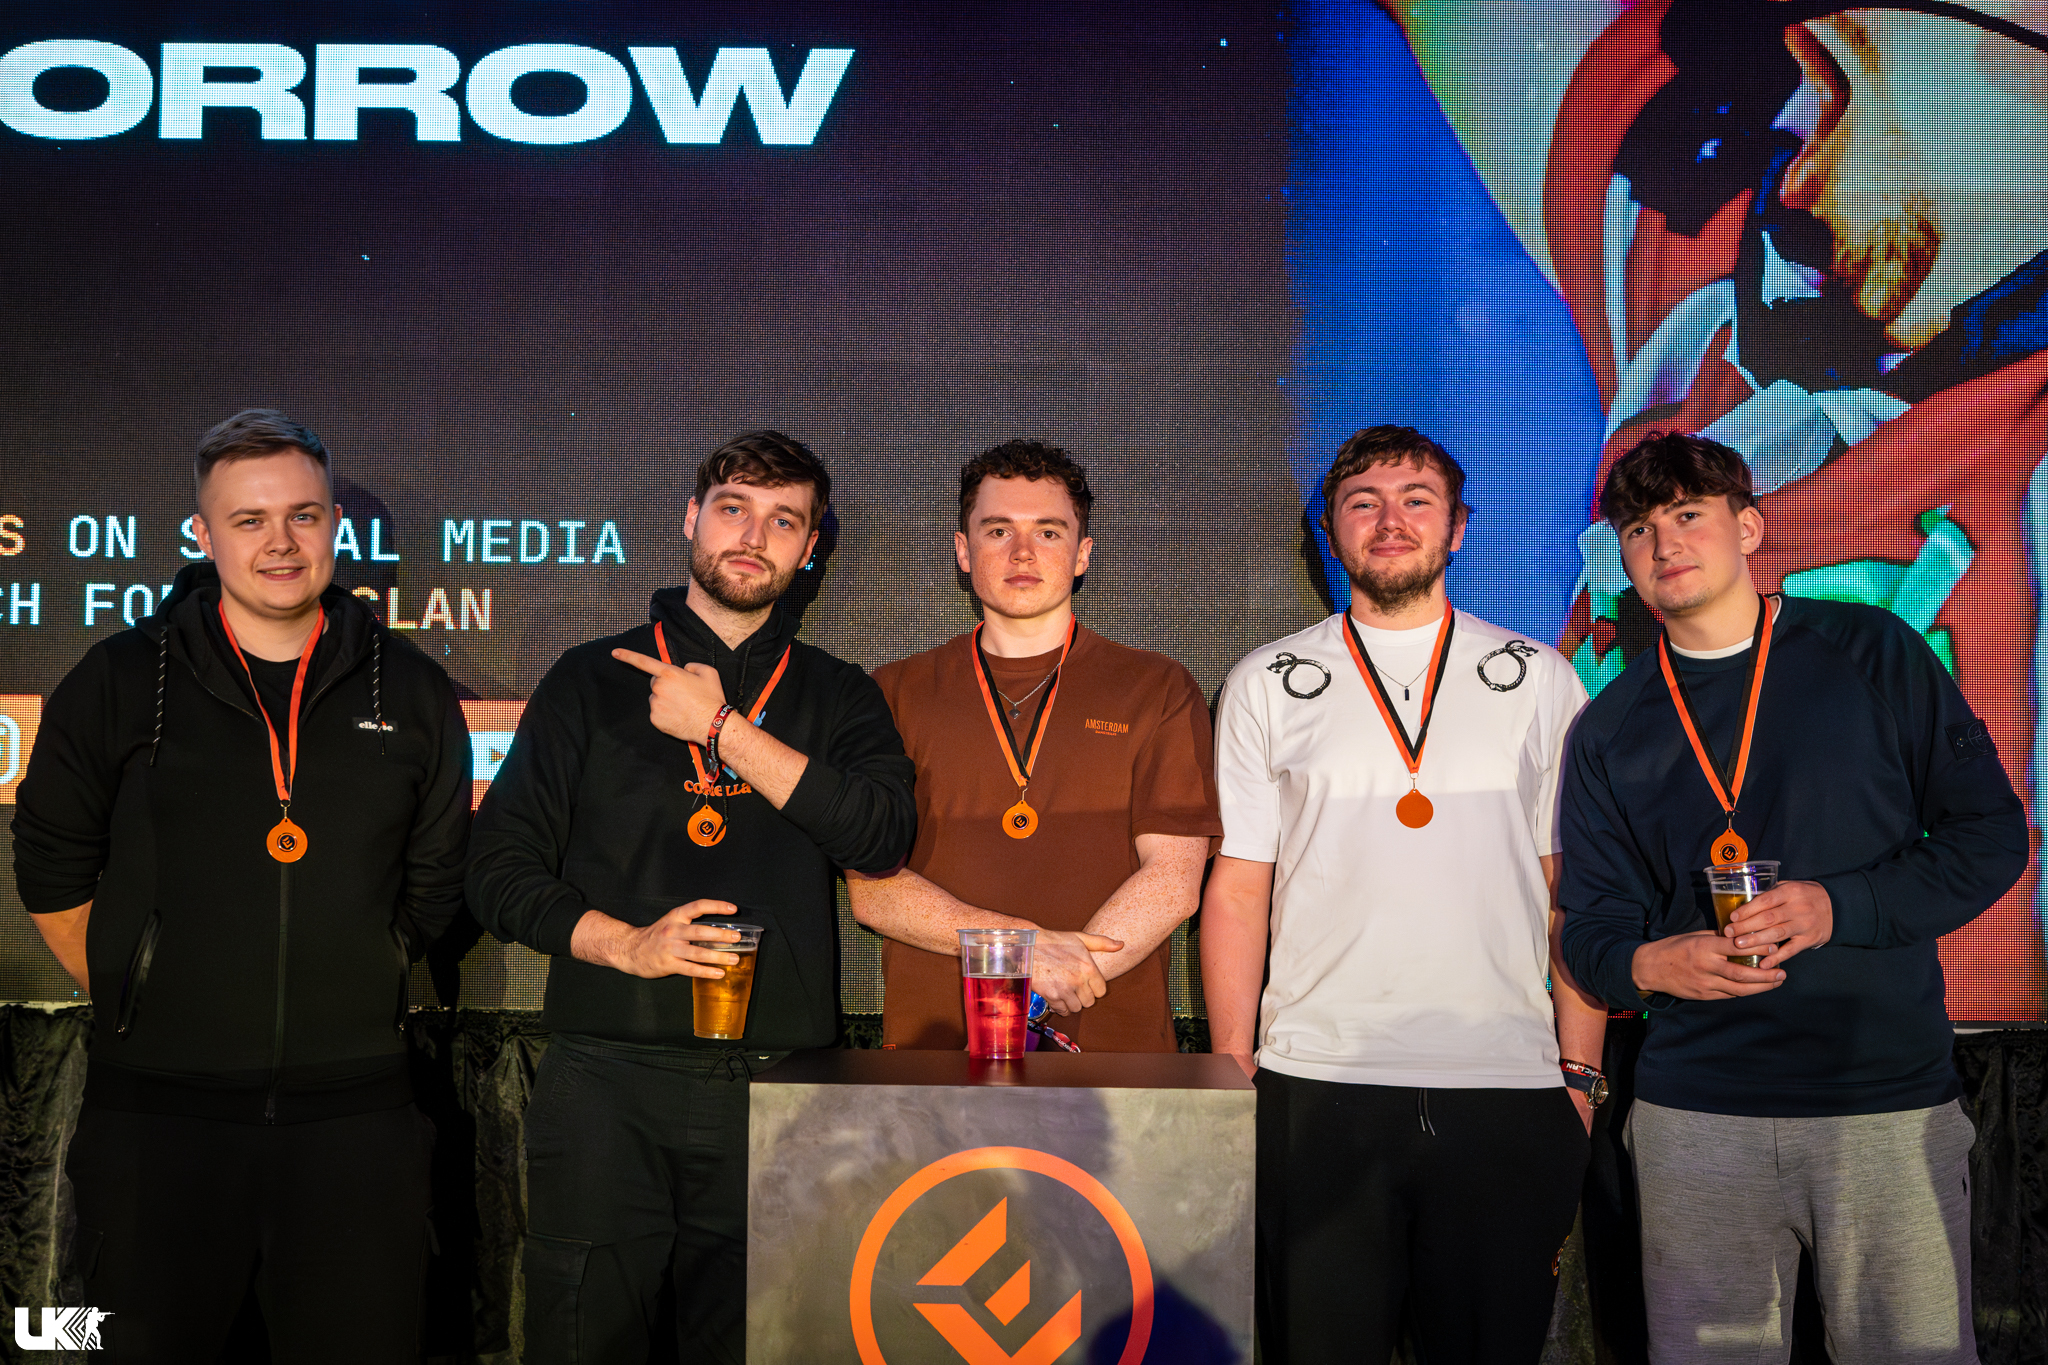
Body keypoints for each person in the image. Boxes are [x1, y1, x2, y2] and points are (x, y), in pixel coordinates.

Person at [11, 408, 472, 1364]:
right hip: (156, 1125)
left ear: (334, 523)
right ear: (203, 532)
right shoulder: (120, 677)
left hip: (357, 1125)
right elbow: (50, 863)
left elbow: (434, 882)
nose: (280, 543)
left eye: (302, 515)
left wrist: (370, 970)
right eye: (250, 519)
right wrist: (142, 987)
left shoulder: (412, 690)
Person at [1559, 430, 2025, 1364]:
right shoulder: (1608, 725)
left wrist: (1836, 907)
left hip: (1882, 1102)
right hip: (1696, 1117)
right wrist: (1653, 963)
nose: (1664, 542)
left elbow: (1991, 838)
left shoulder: (1871, 650)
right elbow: (1593, 930)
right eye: (1639, 529)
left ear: (1750, 528)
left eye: (1688, 514)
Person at [465, 430, 915, 1364]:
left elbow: (880, 838)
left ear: (810, 548)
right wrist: (626, 944)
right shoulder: (591, 678)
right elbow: (497, 869)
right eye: (733, 508)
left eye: (783, 520)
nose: (753, 535)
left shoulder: (838, 695)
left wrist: (720, 728)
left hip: (780, 1090)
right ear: (690, 519)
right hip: (606, 1081)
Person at [1204, 425, 1605, 1363]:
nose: (1391, 520)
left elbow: (1572, 888)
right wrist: (1231, 1063)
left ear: (1457, 527)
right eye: (1364, 502)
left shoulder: (1539, 677)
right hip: (1317, 1080)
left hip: (1508, 1084)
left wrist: (1580, 1076)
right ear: (1330, 530)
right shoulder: (1267, 681)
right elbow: (1239, 888)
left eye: (1417, 500)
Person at [847, 439, 1219, 1051]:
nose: (1022, 551)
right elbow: (874, 891)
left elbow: (1174, 880)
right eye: (998, 530)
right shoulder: (890, 692)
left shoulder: (1156, 687)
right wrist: (1023, 951)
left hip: (1111, 1044)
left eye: (1048, 532)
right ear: (963, 551)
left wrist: (1055, 976)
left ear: (1082, 554)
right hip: (937, 1048)